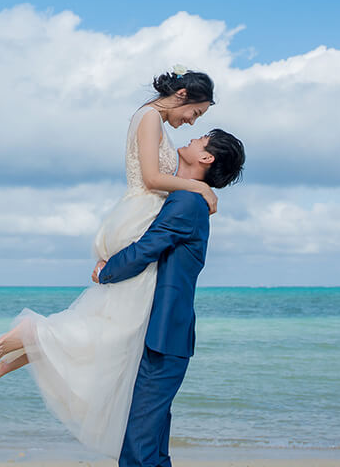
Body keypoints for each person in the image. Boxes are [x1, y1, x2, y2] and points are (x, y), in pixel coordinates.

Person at [0, 68, 216, 457]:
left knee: (120, 319)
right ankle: (37, 336)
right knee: (124, 319)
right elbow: (150, 176)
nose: (192, 122)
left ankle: (39, 345)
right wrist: (199, 185)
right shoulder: (149, 117)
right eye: (196, 113)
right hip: (140, 213)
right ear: (181, 95)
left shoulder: (154, 121)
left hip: (138, 213)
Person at [95, 128, 245, 467]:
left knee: (140, 447)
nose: (192, 138)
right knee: (151, 442)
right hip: (164, 335)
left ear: (206, 158)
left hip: (165, 337)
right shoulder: (189, 197)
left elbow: (148, 247)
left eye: (201, 138)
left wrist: (105, 271)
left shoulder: (187, 202)